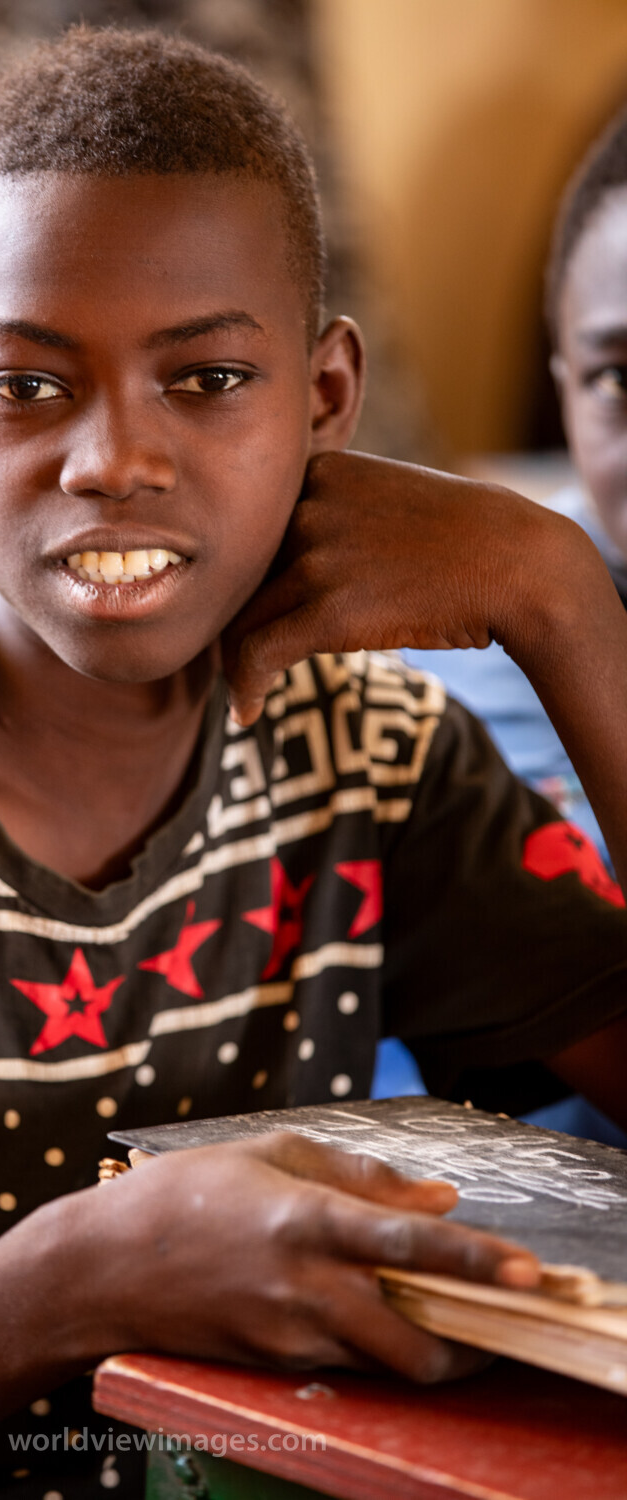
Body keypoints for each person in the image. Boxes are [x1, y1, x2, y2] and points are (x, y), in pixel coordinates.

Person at [0, 28, 625, 1500]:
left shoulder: (374, 757)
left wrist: (563, 610)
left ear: (326, 399)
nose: (112, 460)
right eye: (28, 385)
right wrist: (70, 1282)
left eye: (208, 377)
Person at [399, 102, 627, 1142]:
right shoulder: (452, 655)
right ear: (564, 387)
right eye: (620, 378)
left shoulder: (535, 582)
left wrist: (556, 598)